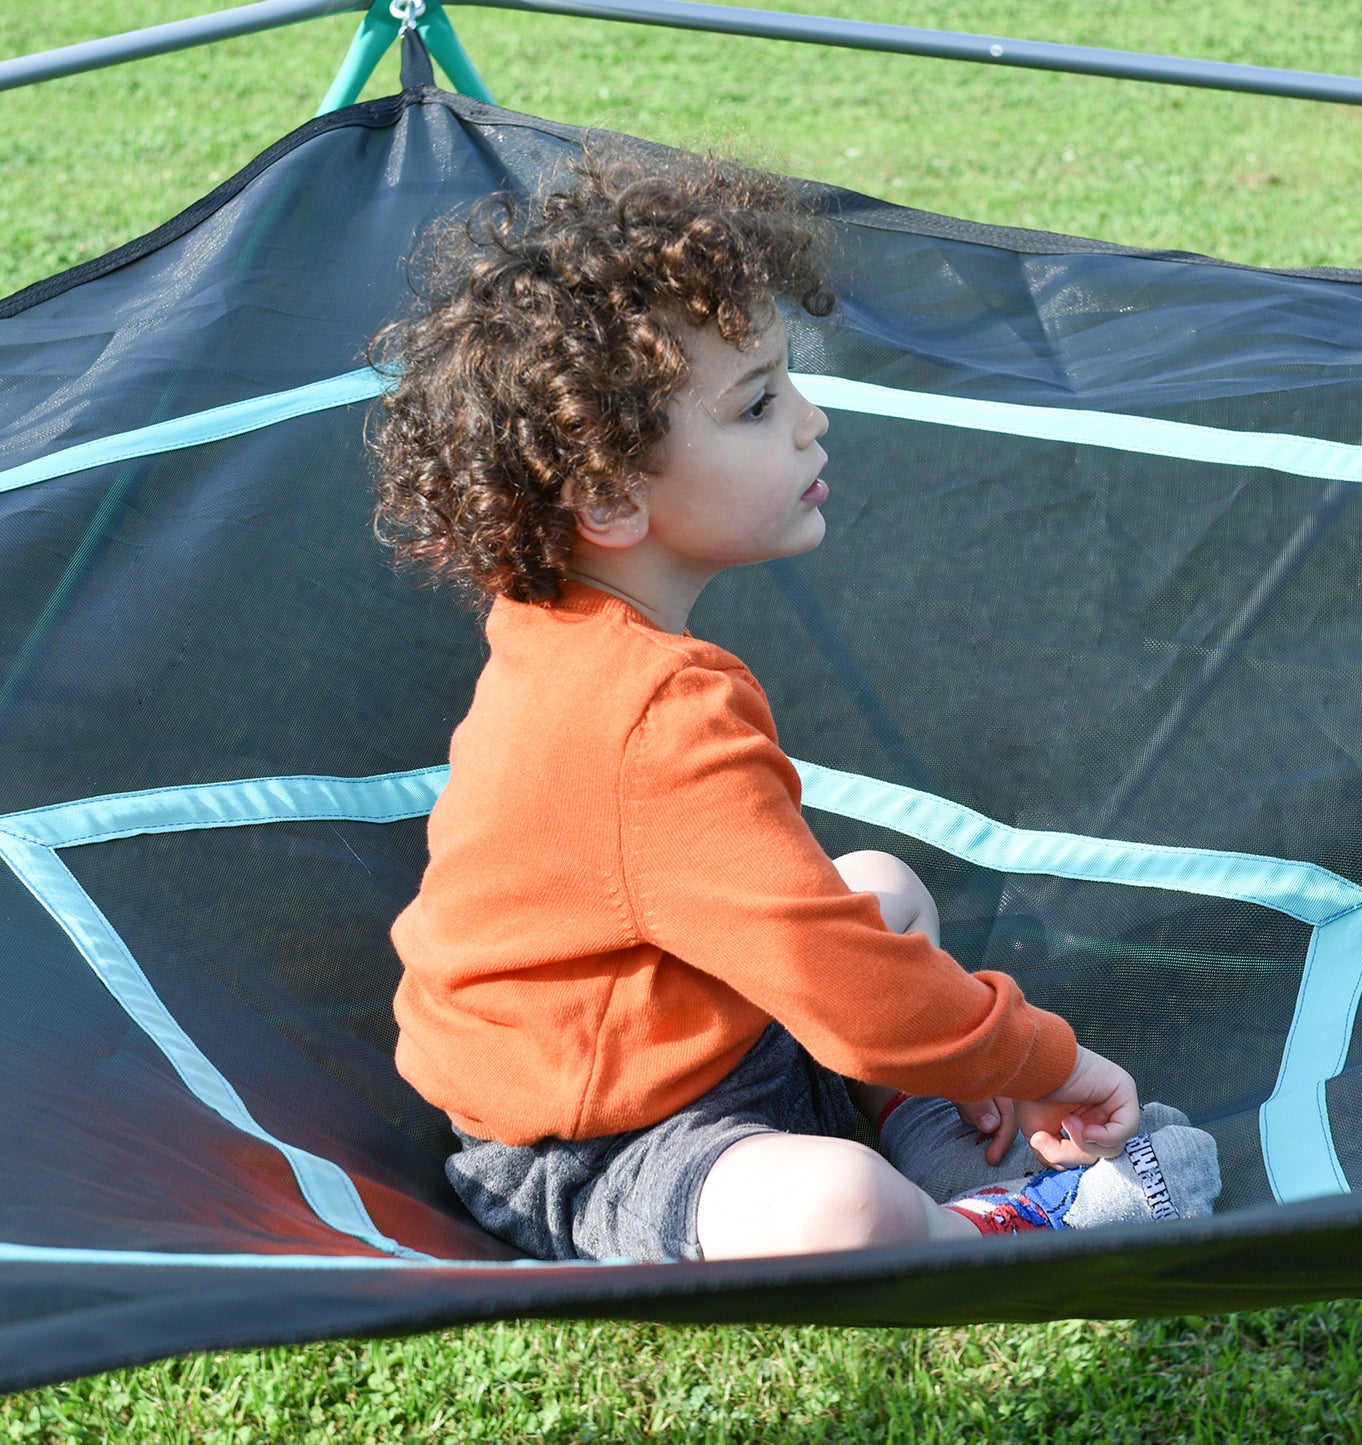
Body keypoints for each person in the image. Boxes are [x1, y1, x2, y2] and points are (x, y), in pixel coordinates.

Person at [368, 141, 1219, 1263]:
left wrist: (939, 1051)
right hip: (600, 1140)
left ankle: (934, 1137)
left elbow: (805, 938)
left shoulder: (574, 634)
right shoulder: (642, 714)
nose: (809, 420)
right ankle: (985, 1219)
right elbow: (843, 983)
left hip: (714, 1037)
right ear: (612, 494)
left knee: (877, 885)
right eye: (757, 404)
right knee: (838, 1208)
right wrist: (1047, 1063)